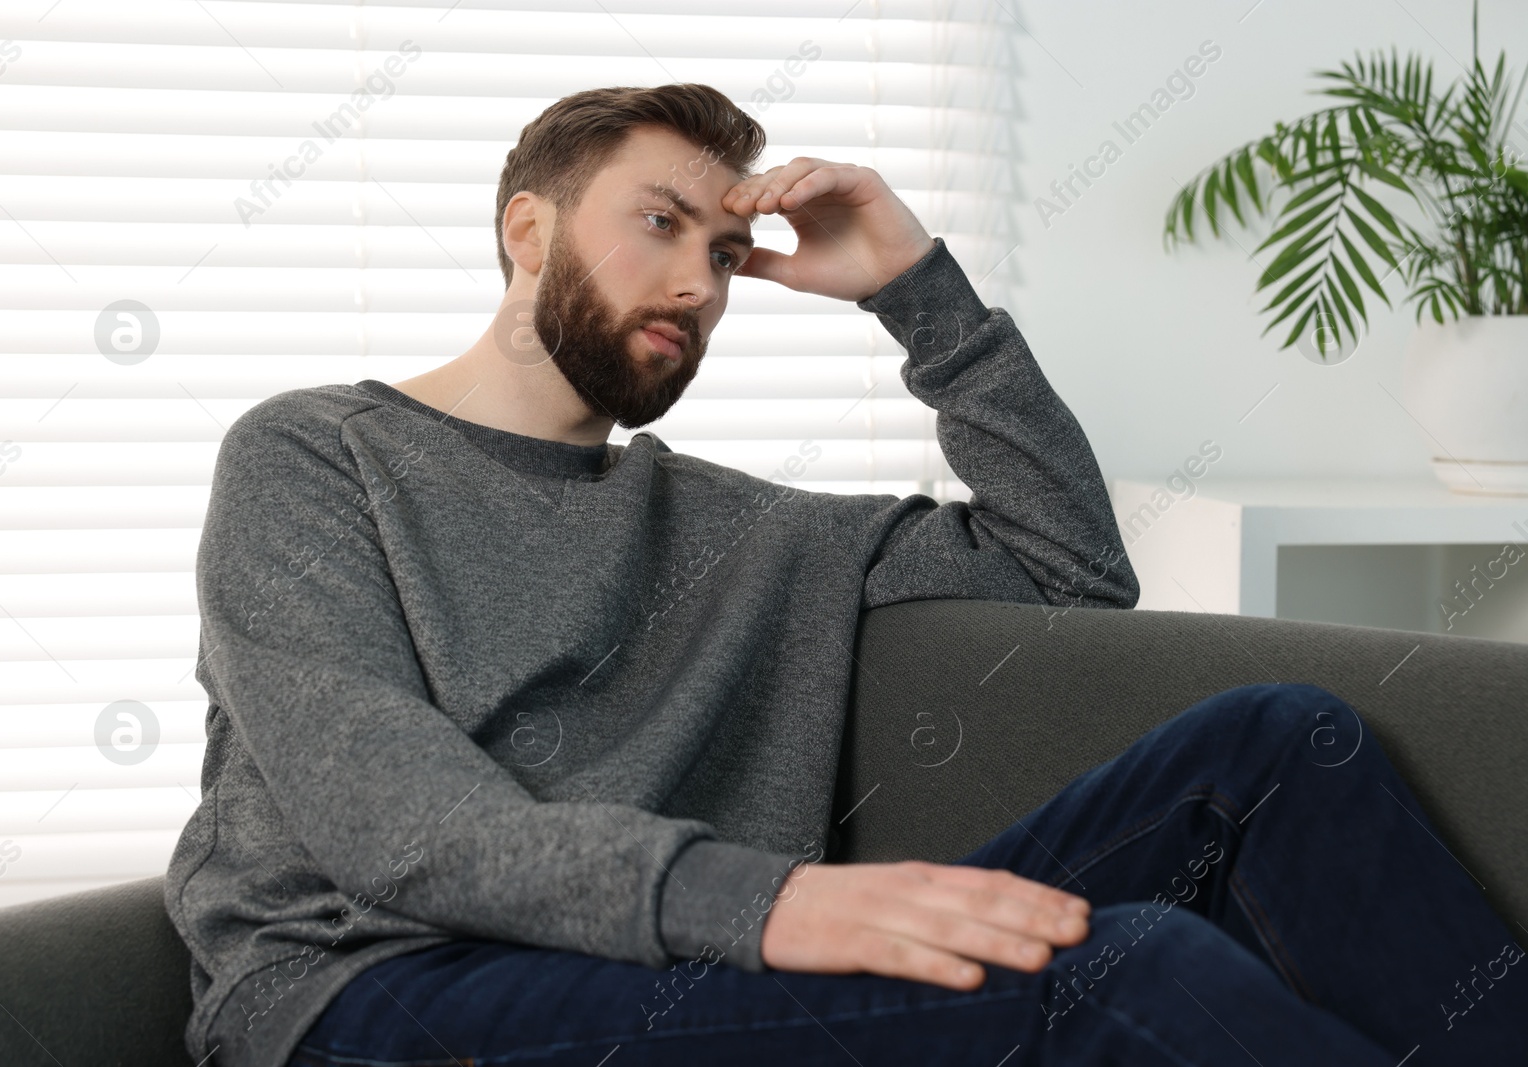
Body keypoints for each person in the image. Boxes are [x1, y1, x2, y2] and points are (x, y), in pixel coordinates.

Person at [164, 84, 1525, 1067]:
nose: (697, 281)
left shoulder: (743, 529)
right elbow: (399, 824)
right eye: (657, 222)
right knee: (1127, 969)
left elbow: (1065, 569)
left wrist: (913, 288)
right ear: (529, 230)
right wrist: (776, 902)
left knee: (1276, 742)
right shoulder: (315, 456)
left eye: (722, 252)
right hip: (370, 996)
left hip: (683, 967)